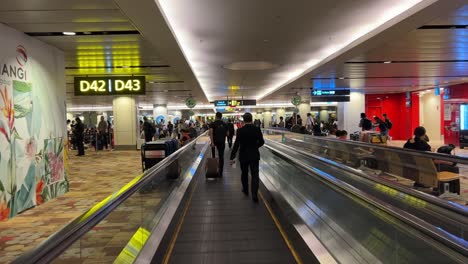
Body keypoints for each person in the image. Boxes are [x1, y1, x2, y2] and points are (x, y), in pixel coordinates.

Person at [230, 112, 265, 203]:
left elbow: (236, 144)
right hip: (254, 155)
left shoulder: (240, 130)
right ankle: (254, 194)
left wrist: (232, 156)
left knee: (244, 173)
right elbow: (262, 142)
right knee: (255, 174)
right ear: (251, 119)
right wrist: (255, 147)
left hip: (243, 155)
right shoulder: (257, 129)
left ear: (243, 121)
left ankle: (245, 189)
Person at [210, 112, 228, 177]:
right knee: (221, 156)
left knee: (213, 156)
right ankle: (220, 172)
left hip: (214, 142)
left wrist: (212, 142)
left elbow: (211, 133)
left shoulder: (212, 123)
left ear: (216, 116)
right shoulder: (224, 124)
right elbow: (227, 134)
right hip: (222, 142)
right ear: (221, 116)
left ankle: (213, 169)